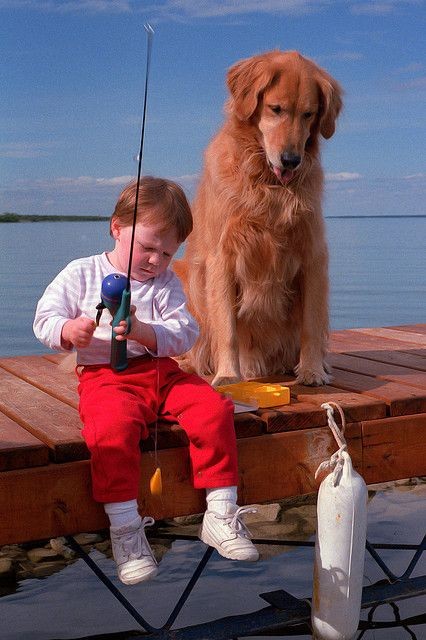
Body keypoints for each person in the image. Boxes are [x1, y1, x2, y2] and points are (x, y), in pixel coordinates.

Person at [33, 176, 259, 586]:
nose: (155, 260)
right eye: (148, 247)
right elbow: (44, 320)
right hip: (106, 377)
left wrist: (143, 331)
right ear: (117, 228)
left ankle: (221, 513)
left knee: (213, 408)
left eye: (167, 252)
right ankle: (125, 531)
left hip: (162, 373)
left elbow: (185, 333)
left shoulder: (167, 283)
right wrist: (69, 331)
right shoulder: (80, 273)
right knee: (110, 431)